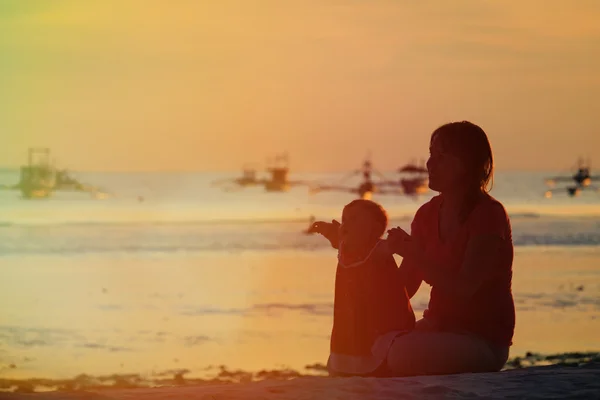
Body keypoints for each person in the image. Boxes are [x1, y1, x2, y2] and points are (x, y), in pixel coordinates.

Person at [384, 121, 515, 376]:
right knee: (373, 344)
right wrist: (360, 256)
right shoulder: (426, 214)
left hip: (482, 340)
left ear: (466, 162)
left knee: (399, 353)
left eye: (441, 156)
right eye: (431, 155)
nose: (430, 164)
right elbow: (404, 287)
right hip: (437, 328)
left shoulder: (488, 214)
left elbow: (464, 287)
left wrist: (411, 252)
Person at [309, 199, 415, 377]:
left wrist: (399, 242)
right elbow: (337, 237)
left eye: (354, 219)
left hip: (380, 324)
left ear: (374, 229)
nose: (346, 224)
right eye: (345, 219)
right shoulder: (345, 248)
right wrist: (328, 230)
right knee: (348, 349)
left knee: (378, 354)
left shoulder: (378, 249)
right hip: (350, 322)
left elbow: (394, 247)